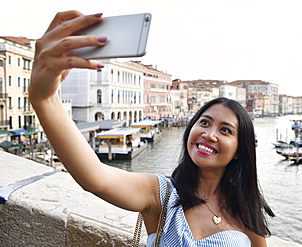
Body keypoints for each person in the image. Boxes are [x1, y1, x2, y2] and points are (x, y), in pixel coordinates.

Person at [29, 11, 275, 246]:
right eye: (204, 122)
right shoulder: (160, 194)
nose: (209, 134)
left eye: (225, 130)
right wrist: (45, 98)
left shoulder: (245, 208)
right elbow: (95, 178)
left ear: (240, 150)